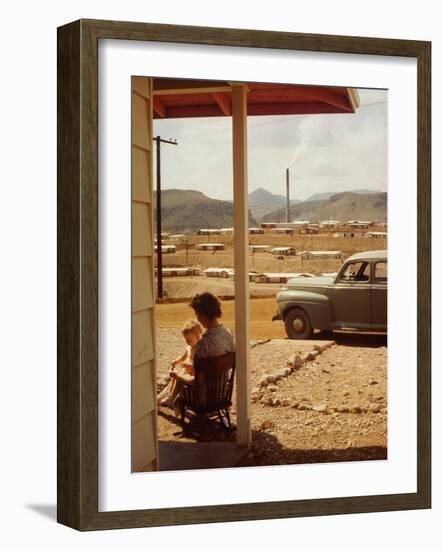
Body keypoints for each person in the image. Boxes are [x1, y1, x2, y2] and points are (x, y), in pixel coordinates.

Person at [157, 319, 202, 409]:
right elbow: (182, 357)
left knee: (178, 379)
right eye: (186, 340)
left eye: (189, 340)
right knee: (174, 377)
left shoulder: (199, 349)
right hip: (186, 370)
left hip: (192, 373)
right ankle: (169, 395)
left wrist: (190, 366)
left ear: (198, 336)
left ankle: (171, 398)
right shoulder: (189, 347)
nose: (187, 342)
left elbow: (200, 366)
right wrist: (176, 361)